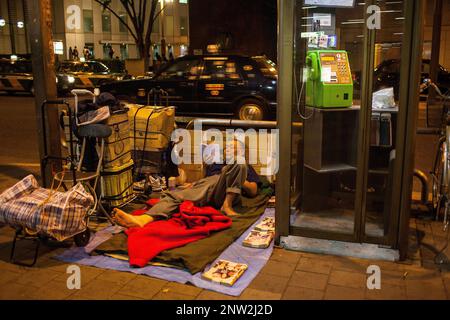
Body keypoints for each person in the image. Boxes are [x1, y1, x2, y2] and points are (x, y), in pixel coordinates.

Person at [113, 140, 260, 228]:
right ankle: (143, 219)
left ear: (240, 151)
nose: (226, 149)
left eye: (231, 147)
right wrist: (192, 185)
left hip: (227, 191)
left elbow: (253, 191)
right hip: (209, 187)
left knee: (238, 165)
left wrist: (235, 176)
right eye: (226, 147)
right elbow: (207, 182)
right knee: (174, 196)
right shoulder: (216, 162)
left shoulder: (245, 165)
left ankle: (226, 205)